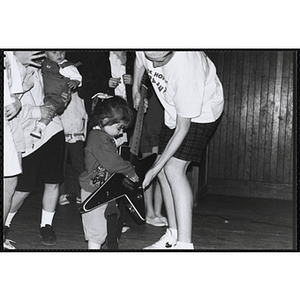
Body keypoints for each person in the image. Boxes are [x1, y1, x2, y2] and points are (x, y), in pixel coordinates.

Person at [133, 51, 224, 249]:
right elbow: (140, 61)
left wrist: (154, 168)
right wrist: (136, 90)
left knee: (173, 169)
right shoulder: (146, 48)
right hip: (173, 108)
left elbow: (183, 128)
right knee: (165, 172)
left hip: (202, 111)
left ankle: (184, 244)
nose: (155, 68)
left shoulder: (187, 70)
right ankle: (172, 235)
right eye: (152, 60)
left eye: (161, 61)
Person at [5, 51, 70, 247]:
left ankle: (46, 225)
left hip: (52, 130)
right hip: (27, 136)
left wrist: (61, 98)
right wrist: (38, 111)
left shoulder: (46, 68)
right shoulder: (12, 70)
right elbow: (11, 109)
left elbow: (56, 96)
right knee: (23, 188)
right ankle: (5, 224)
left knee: (53, 181)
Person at [78, 96, 139, 250]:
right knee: (96, 230)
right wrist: (130, 171)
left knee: (105, 224)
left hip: (103, 188)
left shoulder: (102, 136)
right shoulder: (99, 138)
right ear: (105, 120)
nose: (121, 132)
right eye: (119, 128)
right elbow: (112, 163)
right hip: (94, 191)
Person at [31, 51, 82, 139]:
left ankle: (39, 128)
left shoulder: (66, 66)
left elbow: (77, 77)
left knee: (50, 109)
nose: (59, 54)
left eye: (62, 51)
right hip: (48, 95)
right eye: (54, 52)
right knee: (49, 108)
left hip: (56, 95)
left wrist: (74, 82)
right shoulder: (43, 64)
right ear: (45, 54)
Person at [3, 51, 26, 249]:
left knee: (10, 181)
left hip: (6, 124)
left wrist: (17, 101)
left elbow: (15, 88)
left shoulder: (9, 53)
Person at [140, 87, 167, 227]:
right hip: (150, 139)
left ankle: (157, 212)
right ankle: (149, 213)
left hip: (161, 137)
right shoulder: (154, 91)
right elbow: (152, 120)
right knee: (150, 172)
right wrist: (155, 145)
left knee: (162, 173)